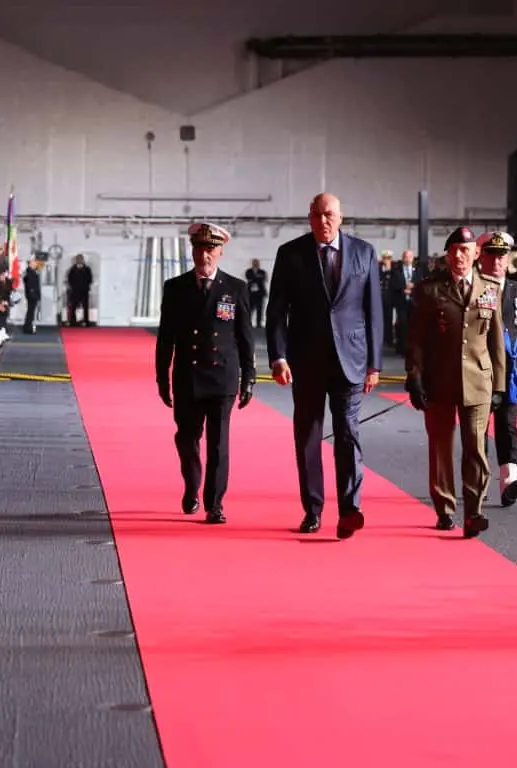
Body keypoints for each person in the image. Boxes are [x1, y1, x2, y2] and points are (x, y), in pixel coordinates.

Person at [264, 193, 382, 539]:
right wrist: (278, 356)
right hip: (306, 360)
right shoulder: (290, 254)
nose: (322, 221)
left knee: (348, 433)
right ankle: (313, 509)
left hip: (352, 360)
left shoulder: (364, 253)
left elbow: (373, 311)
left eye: (328, 215)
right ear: (309, 217)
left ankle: (349, 510)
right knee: (308, 438)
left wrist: (374, 364)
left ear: (341, 217)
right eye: (316, 215)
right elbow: (276, 312)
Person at [404, 227, 506, 537]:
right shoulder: (429, 290)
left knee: (476, 447)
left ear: (477, 254)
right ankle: (445, 508)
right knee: (441, 447)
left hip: (478, 380)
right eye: (455, 250)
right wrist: (415, 377)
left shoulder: (490, 289)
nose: (460, 255)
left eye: (466, 249)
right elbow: (416, 340)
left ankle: (474, 512)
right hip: (438, 381)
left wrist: (500, 386)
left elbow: (497, 341)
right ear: (448, 255)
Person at [155, 222, 255, 524]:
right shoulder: (175, 288)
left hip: (222, 377)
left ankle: (215, 503)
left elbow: (245, 337)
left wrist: (249, 376)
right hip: (187, 377)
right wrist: (162, 377)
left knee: (219, 443)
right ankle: (192, 486)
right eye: (199, 248)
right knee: (187, 438)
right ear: (193, 250)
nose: (205, 255)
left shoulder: (235, 289)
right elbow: (166, 338)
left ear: (220, 251)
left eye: (210, 249)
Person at [477, 231, 517, 506]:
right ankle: (478, 480)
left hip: (510, 373)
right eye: (492, 255)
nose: (497, 262)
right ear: (482, 257)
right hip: (479, 370)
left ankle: (509, 480)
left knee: (508, 425)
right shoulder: (472, 288)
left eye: (502, 256)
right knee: (478, 429)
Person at [23, 258, 41, 334]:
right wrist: (33, 294)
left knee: (31, 312)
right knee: (30, 312)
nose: (36, 264)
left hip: (33, 294)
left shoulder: (32, 271)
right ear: (30, 263)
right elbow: (30, 285)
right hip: (31, 295)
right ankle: (27, 327)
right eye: (34, 263)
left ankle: (28, 326)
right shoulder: (29, 272)